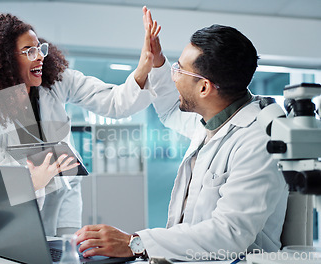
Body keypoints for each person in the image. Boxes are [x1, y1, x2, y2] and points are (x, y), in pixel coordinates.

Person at [75, 7, 289, 261]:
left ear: (204, 87)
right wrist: (158, 60)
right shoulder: (214, 119)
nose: (173, 77)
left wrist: (135, 243)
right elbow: (168, 109)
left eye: (179, 69)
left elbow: (229, 234)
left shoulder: (260, 140)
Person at [0, 12, 163, 237]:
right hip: (9, 223)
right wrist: (32, 182)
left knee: (63, 253)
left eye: (40, 48)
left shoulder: (55, 83)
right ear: (3, 60)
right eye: (29, 51)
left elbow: (114, 102)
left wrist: (143, 68)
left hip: (63, 209)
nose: (40, 56)